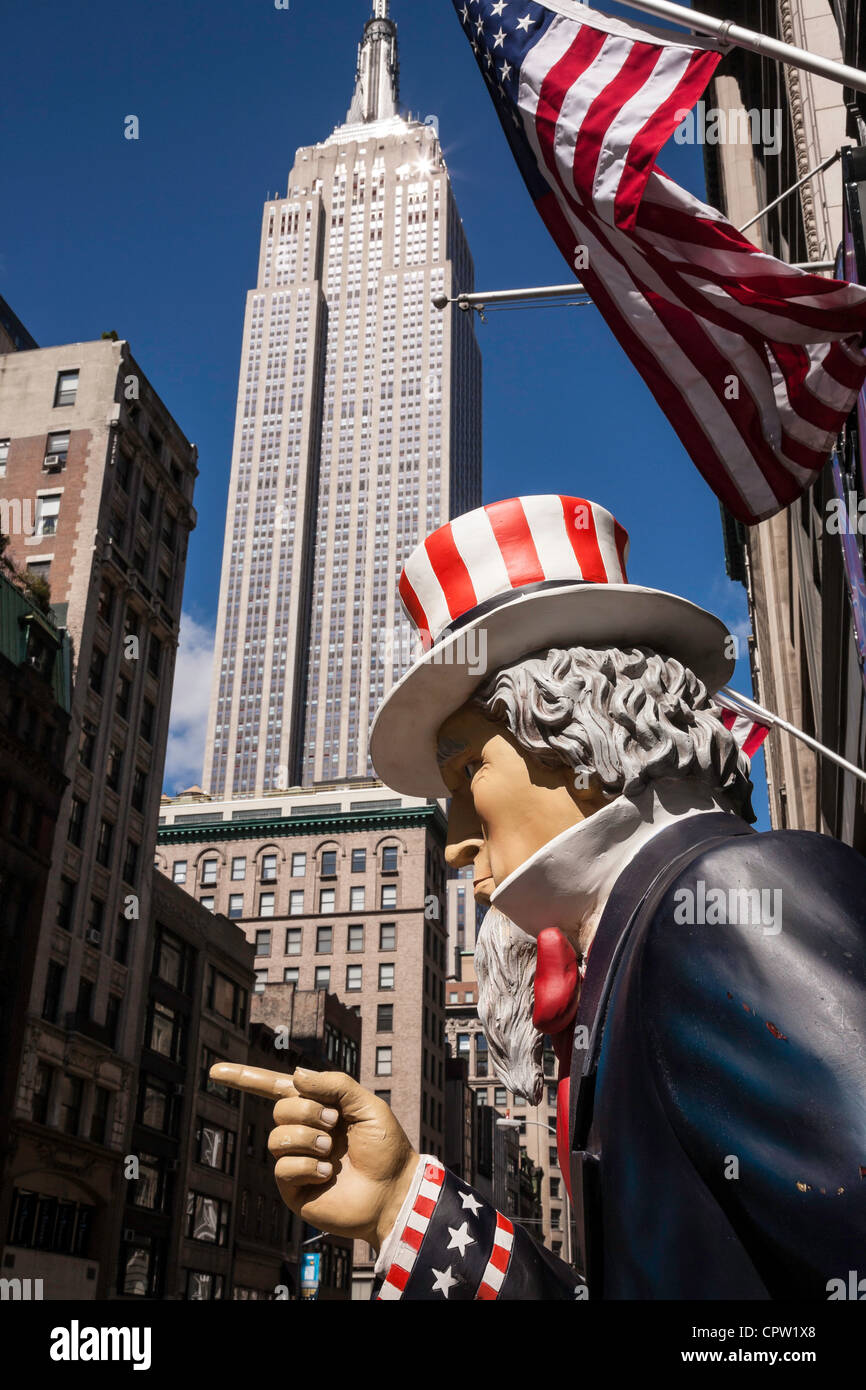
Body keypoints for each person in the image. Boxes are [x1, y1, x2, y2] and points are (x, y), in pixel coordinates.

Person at [215, 496, 866, 1300]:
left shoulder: (723, 901)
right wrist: (397, 1206)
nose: (453, 841)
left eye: (466, 776)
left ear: (583, 733)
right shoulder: (643, 944)